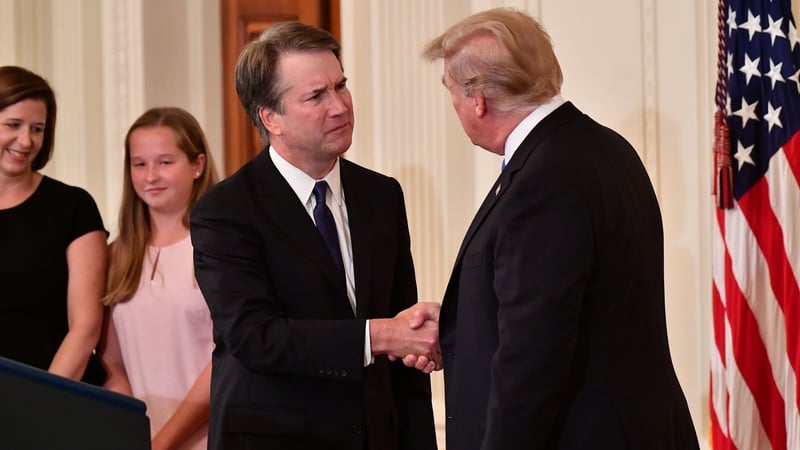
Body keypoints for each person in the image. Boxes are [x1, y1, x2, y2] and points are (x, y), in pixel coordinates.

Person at [416, 8, 700, 450]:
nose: (454, 105)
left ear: (478, 99)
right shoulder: (604, 147)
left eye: (450, 91)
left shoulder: (543, 182)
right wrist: (462, 319)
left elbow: (532, 360)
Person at [189, 21, 439, 450]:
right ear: (271, 118)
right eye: (316, 96)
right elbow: (255, 338)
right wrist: (382, 336)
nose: (340, 106)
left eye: (341, 87)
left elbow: (402, 339)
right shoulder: (225, 211)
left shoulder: (382, 195)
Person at [99, 107, 218, 450]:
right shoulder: (116, 255)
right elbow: (111, 361)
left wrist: (164, 441)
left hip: (209, 437)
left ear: (197, 165)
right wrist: (133, 428)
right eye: (139, 164)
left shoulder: (220, 250)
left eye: (165, 162)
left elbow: (227, 358)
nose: (150, 176)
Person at [0, 65, 107, 385]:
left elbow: (85, 326)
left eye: (37, 128)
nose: (26, 140)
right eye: (14, 125)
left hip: (50, 396)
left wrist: (42, 400)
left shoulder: (73, 207)